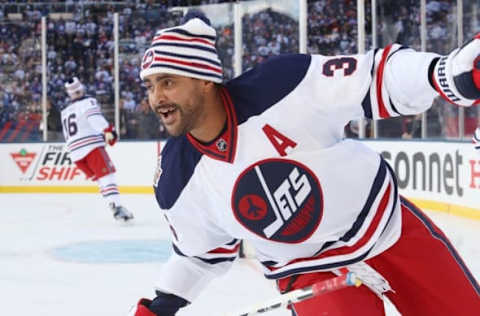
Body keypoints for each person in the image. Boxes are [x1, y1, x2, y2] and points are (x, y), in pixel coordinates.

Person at [130, 12, 480, 316]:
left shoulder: (281, 85)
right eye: (150, 86)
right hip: (308, 270)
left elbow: (374, 78)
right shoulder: (175, 178)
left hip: (385, 228)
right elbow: (199, 253)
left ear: (205, 79)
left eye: (168, 82)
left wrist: (442, 74)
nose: (156, 97)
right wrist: (162, 304)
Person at [61, 77, 134, 223]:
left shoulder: (65, 111)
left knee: (101, 180)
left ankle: (113, 204)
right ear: (81, 88)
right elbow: (94, 117)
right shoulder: (88, 102)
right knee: (108, 176)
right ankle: (117, 207)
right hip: (90, 147)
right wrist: (108, 130)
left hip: (75, 153)